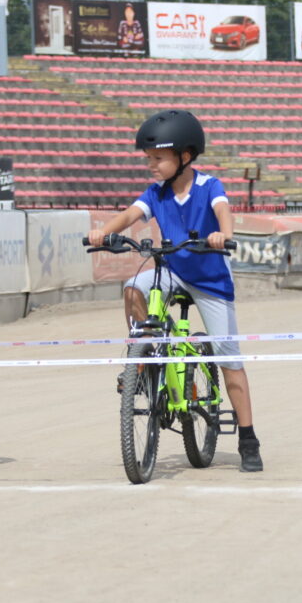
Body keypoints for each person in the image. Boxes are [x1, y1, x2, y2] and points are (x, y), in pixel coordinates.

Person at [86, 110, 264, 473]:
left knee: (230, 361)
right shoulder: (156, 193)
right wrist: (104, 232)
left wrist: (223, 235)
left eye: (157, 158)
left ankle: (248, 439)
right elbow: (129, 215)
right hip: (172, 272)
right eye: (148, 158)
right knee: (133, 289)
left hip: (210, 280)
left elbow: (223, 211)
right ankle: (145, 357)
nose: (151, 165)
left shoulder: (209, 186)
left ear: (184, 156)